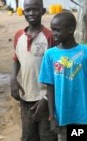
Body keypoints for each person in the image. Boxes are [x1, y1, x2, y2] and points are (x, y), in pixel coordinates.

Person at [10, 0, 57, 140]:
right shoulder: (19, 36)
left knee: (47, 136)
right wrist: (13, 78)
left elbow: (57, 70)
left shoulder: (50, 37)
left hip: (46, 99)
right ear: (23, 12)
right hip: (26, 98)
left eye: (35, 10)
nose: (31, 13)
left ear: (42, 11)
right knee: (28, 136)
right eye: (28, 10)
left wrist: (47, 98)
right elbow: (16, 58)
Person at [39, 12, 87, 141]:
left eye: (57, 30)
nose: (53, 33)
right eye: (52, 29)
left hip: (82, 115)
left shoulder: (84, 52)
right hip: (62, 116)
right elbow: (50, 87)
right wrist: (51, 117)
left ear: (71, 29)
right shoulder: (50, 54)